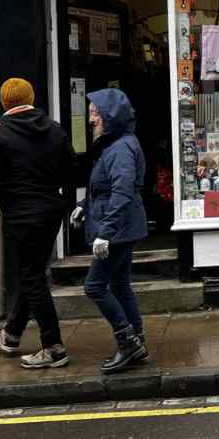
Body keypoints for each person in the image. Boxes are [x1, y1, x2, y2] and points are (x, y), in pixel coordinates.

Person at [0, 78, 75, 370]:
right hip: (51, 211)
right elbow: (71, 169)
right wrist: (62, 201)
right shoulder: (53, 129)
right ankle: (12, 334)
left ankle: (53, 347)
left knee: (32, 279)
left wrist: (2, 198)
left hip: (21, 215)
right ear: (31, 96)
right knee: (33, 273)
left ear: (4, 103)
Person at [74, 88, 149, 374]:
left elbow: (122, 191)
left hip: (118, 229)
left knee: (94, 286)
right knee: (119, 286)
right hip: (122, 226)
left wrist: (105, 232)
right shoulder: (117, 144)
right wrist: (83, 203)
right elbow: (106, 187)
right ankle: (137, 341)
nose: (92, 119)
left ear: (110, 116)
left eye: (96, 113)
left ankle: (127, 341)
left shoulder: (121, 149)